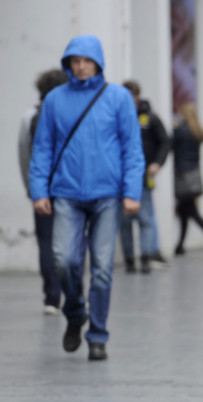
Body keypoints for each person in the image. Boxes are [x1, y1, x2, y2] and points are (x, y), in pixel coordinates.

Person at [29, 35, 145, 361]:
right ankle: (75, 313)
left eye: (86, 60)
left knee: (103, 269)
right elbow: (42, 149)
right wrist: (39, 191)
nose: (81, 67)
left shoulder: (119, 98)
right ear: (68, 64)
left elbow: (132, 149)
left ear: (98, 62)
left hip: (107, 196)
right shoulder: (55, 100)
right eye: (75, 61)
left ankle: (97, 334)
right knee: (64, 260)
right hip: (66, 194)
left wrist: (131, 192)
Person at [18, 68, 68, 316]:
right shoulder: (70, 112)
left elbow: (24, 154)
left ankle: (51, 296)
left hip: (43, 188)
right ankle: (73, 292)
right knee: (72, 240)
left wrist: (32, 188)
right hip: (70, 188)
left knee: (47, 242)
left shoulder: (31, 116)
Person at [120, 80, 172, 273]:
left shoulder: (150, 118)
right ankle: (129, 260)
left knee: (145, 217)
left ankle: (146, 256)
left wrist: (157, 163)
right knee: (124, 222)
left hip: (143, 177)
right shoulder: (117, 117)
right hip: (120, 179)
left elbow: (165, 142)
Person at [172, 102, 203, 256]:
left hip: (183, 176)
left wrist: (175, 128)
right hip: (194, 176)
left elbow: (171, 144)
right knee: (184, 211)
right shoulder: (195, 132)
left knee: (191, 212)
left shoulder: (182, 131)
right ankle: (180, 245)